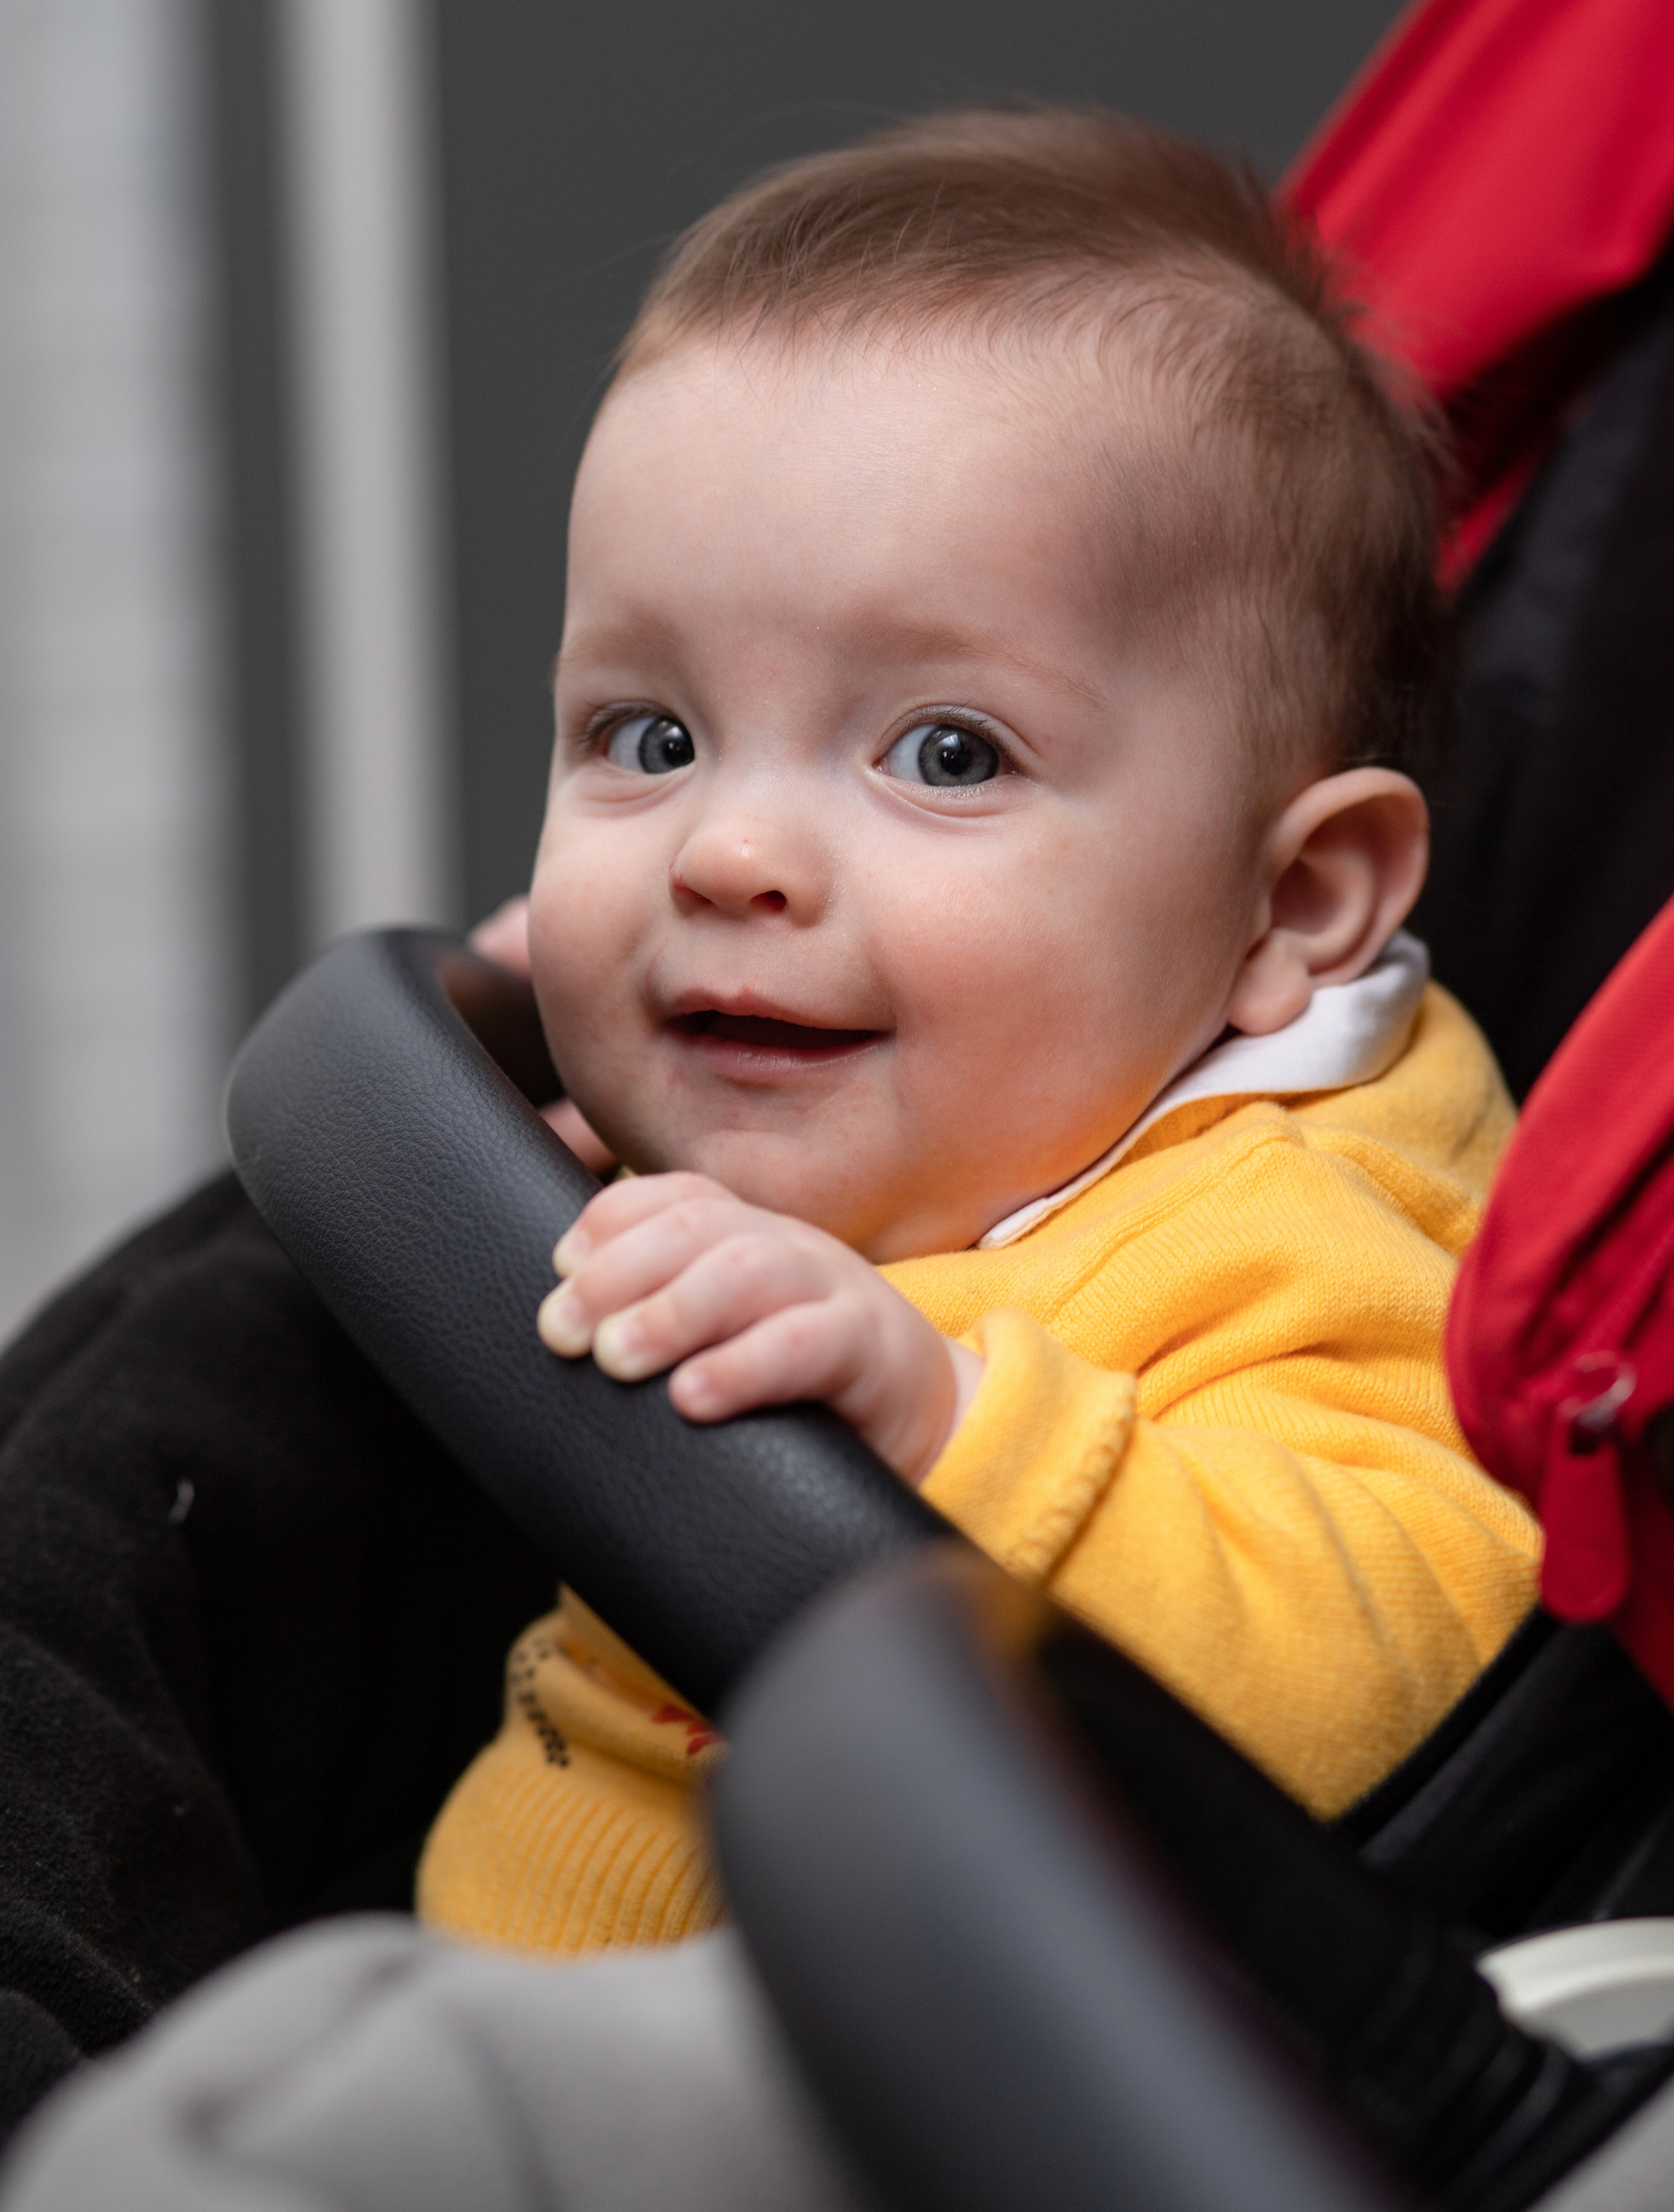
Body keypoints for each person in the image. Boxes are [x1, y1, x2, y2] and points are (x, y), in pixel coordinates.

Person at [415, 105, 1540, 1956]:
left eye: (946, 754)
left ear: (1293, 906)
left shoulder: (1306, 1237)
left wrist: (940, 1435)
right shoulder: (931, 1086)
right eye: (648, 737)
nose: (731, 852)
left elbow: (1399, 1661)